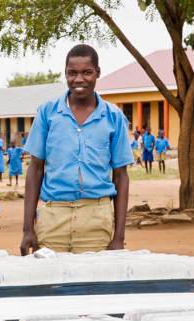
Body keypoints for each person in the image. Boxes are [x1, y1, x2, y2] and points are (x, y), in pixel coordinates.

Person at [20, 44, 132, 255]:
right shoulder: (47, 113)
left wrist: (119, 238)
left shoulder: (113, 117)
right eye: (72, 73)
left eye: (87, 72)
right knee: (50, 284)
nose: (79, 79)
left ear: (97, 73)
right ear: (65, 74)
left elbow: (121, 177)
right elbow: (35, 170)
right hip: (53, 218)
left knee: (93, 284)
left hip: (96, 219)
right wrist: (28, 229)